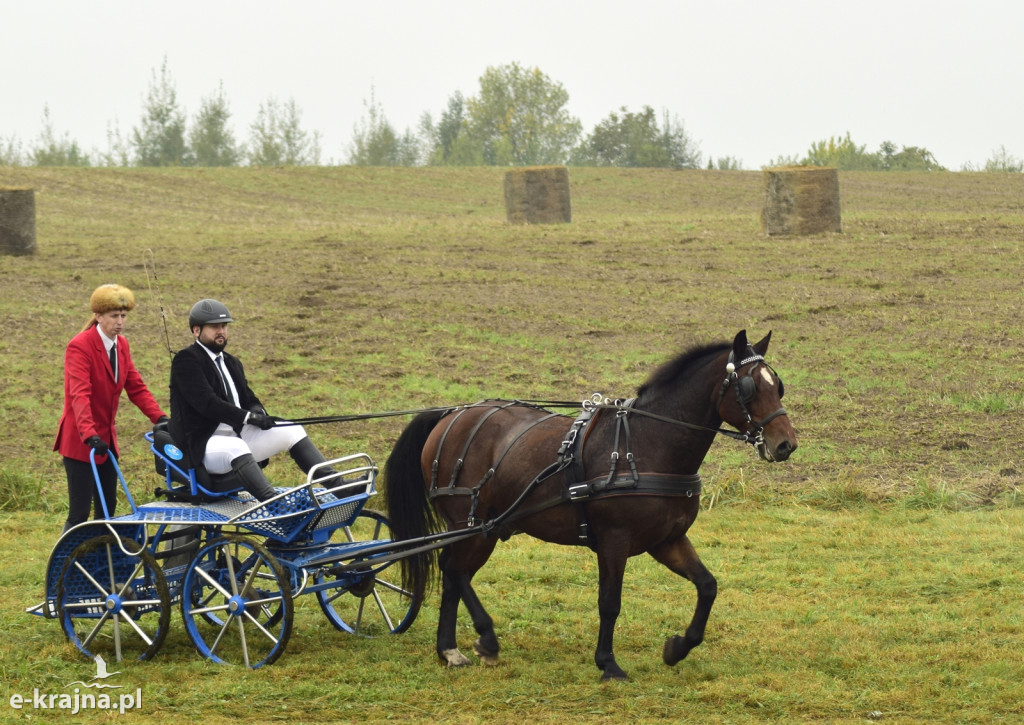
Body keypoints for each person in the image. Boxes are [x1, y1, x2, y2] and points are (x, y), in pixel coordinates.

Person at [168, 298, 335, 501]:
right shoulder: (186, 360)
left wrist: (258, 412)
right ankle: (275, 505)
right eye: (214, 327)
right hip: (204, 443)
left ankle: (339, 487)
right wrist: (248, 418)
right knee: (236, 447)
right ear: (196, 330)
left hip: (237, 434)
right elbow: (208, 404)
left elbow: (248, 397)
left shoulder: (231, 362)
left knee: (292, 429)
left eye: (224, 326)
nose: (221, 331)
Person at [54, 284, 168, 532]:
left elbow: (135, 386)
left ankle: (99, 563)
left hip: (106, 440)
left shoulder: (122, 345)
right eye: (114, 316)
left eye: (123, 316)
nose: (120, 322)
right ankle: (63, 568)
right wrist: (89, 434)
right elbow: (79, 394)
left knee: (107, 510)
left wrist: (159, 417)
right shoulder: (80, 346)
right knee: (79, 514)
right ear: (98, 316)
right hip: (81, 440)